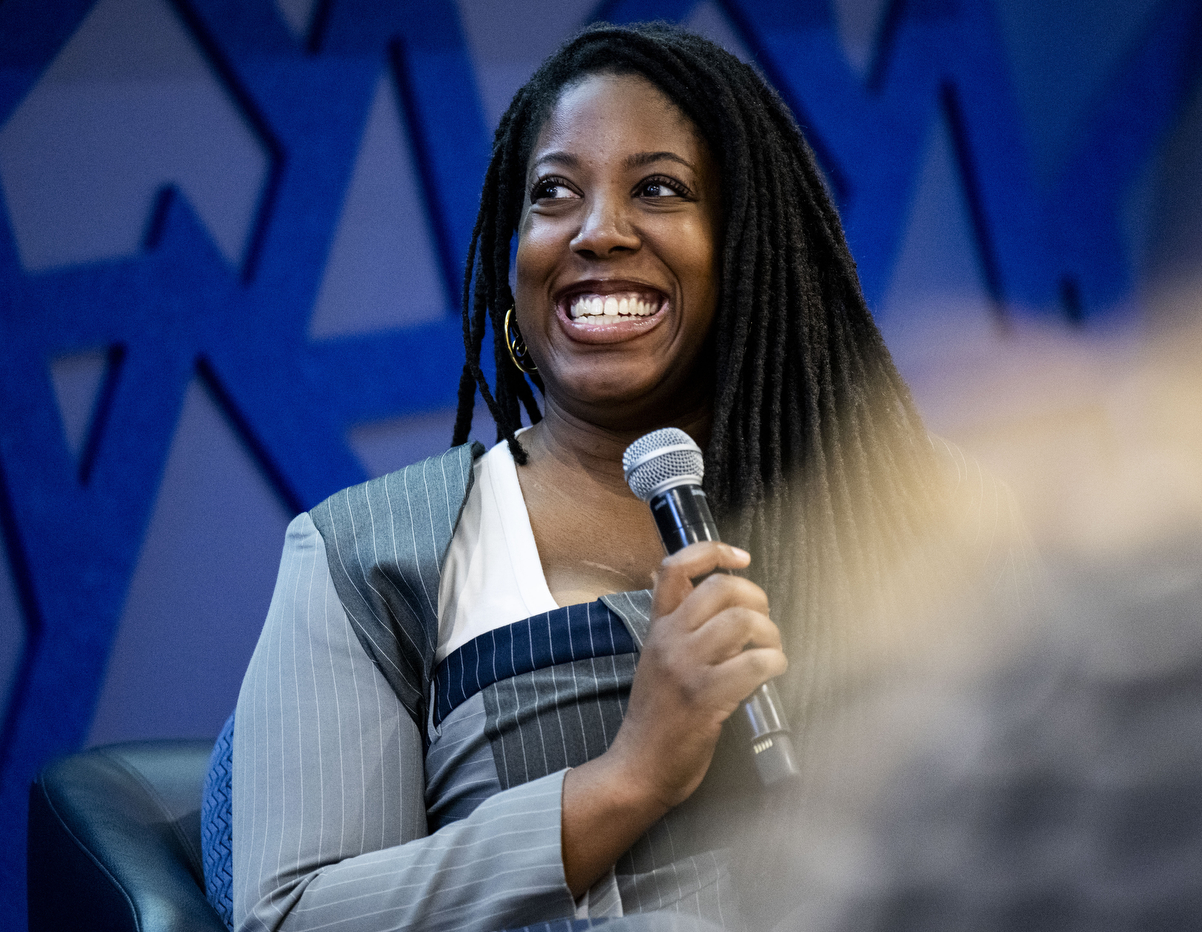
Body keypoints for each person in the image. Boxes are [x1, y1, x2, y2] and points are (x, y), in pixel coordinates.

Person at [228, 21, 1026, 932]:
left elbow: (1077, 827)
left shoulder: (933, 511)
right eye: (555, 194)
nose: (599, 231)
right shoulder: (367, 555)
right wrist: (626, 779)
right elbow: (293, 917)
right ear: (511, 262)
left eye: (659, 189)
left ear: (747, 250)